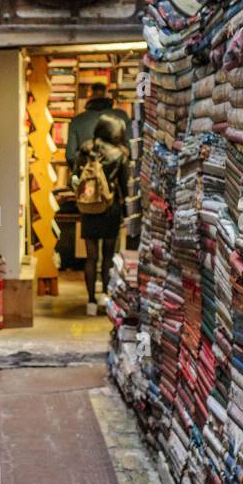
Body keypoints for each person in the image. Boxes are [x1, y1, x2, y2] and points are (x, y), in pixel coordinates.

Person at [73, 113, 129, 316]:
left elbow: (75, 177)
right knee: (107, 256)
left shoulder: (85, 149)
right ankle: (104, 296)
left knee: (90, 257)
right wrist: (125, 215)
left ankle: (89, 302)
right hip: (109, 208)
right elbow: (124, 187)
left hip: (88, 208)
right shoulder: (119, 155)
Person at [66, 81, 132, 165]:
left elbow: (70, 156)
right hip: (117, 173)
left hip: (88, 174)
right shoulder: (122, 116)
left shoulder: (77, 120)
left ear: (89, 96)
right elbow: (130, 150)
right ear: (107, 95)